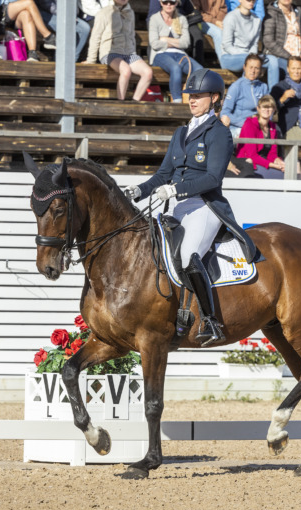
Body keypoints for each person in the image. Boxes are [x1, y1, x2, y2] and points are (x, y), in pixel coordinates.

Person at [122, 69, 257, 346]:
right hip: (179, 208)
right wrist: (138, 190)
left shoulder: (219, 133)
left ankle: (210, 320)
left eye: (198, 96)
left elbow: (212, 178)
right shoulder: (181, 132)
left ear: (215, 98)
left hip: (206, 206)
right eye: (190, 95)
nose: (192, 100)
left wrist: (176, 189)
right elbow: (163, 174)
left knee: (187, 255)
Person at [87, 0, 153, 102]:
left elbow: (131, 35)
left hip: (128, 53)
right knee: (126, 70)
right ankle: (121, 102)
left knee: (148, 72)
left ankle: (135, 102)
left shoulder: (130, 13)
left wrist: (132, 51)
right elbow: (96, 36)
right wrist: (91, 60)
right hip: (110, 52)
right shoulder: (105, 12)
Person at [148, 0, 202, 103]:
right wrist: (177, 42)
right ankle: (177, 101)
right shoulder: (154, 18)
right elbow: (154, 44)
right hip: (161, 54)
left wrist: (165, 39)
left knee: (200, 70)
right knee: (175, 68)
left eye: (172, 2)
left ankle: (196, 99)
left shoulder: (181, 19)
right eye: (165, 2)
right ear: (160, 3)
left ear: (176, 3)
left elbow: (185, 43)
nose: (168, 5)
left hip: (180, 54)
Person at [261, 0, 301, 90]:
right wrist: (289, 57)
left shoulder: (298, 11)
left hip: (299, 57)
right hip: (279, 56)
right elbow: (268, 41)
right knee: (292, 73)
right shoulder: (271, 12)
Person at [219, 53, 268, 138]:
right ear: (244, 67)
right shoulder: (237, 86)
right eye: (250, 67)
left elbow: (269, 108)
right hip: (239, 127)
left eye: (256, 68)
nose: (253, 71)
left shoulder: (263, 87)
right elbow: (225, 112)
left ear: (260, 70)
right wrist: (247, 123)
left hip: (259, 127)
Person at [235, 94, 284, 178]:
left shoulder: (272, 127)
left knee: (294, 166)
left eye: (269, 107)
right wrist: (274, 165)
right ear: (258, 109)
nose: (266, 110)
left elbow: (272, 154)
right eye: (264, 107)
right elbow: (252, 155)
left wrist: (278, 161)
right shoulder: (249, 124)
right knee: (283, 175)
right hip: (250, 164)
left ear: (274, 109)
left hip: (265, 162)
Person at [220, 0, 260, 73]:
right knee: (250, 62)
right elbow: (227, 45)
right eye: (248, 0)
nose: (251, 2)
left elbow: (254, 44)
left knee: (272, 60)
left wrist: (252, 56)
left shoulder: (257, 20)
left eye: (254, 0)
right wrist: (248, 56)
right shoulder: (231, 17)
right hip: (229, 57)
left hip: (249, 56)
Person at [192, 0, 226, 66]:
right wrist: (214, 21)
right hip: (201, 22)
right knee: (218, 33)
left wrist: (219, 22)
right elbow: (196, 12)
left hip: (218, 22)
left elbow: (223, 9)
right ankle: (224, 65)